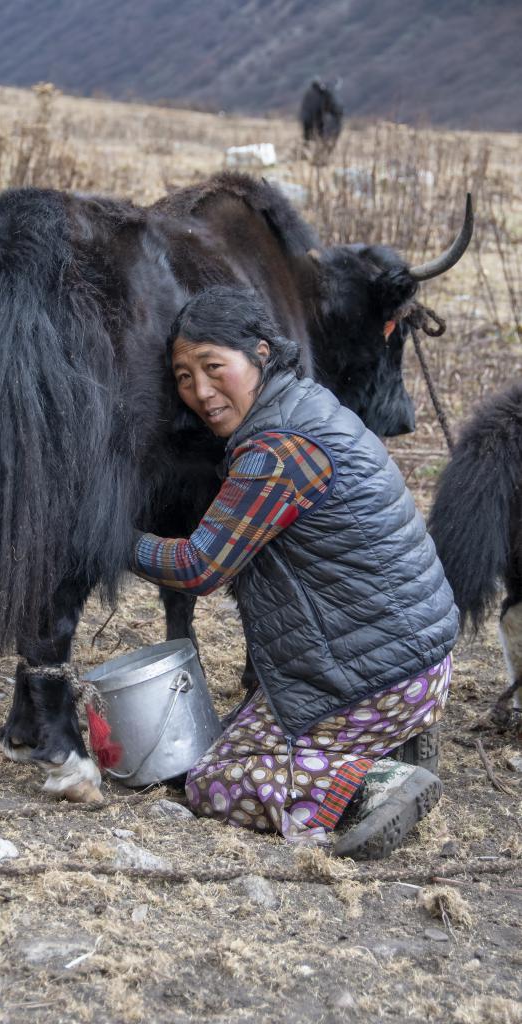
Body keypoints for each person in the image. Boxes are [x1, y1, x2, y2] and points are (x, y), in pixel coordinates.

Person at [130, 286, 457, 859]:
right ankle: (389, 750)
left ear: (259, 353)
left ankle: (374, 785)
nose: (200, 392)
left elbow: (199, 566)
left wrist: (108, 540)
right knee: (227, 736)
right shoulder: (307, 407)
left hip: (377, 679)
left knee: (216, 778)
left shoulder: (278, 452)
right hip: (408, 659)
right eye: (184, 377)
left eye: (213, 368)